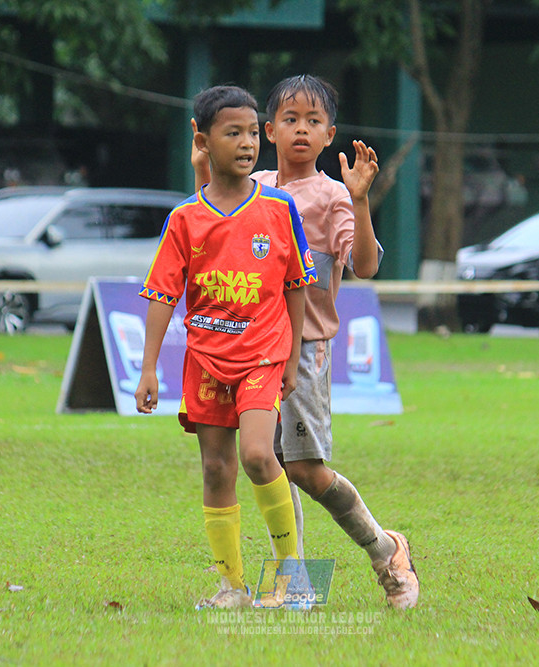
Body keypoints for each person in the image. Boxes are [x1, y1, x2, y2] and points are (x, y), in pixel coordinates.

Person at [193, 74, 419, 609]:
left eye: (313, 121)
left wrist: (361, 203)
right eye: (290, 120)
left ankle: (386, 548)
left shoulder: (332, 194)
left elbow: (364, 266)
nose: (301, 130)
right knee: (265, 462)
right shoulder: (256, 184)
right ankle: (293, 584)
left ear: (329, 133)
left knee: (302, 468)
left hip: (305, 348)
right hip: (251, 348)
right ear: (268, 130)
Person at [136, 85, 318, 609]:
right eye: (231, 132)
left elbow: (296, 287)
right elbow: (161, 295)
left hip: (262, 354)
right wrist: (149, 369)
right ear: (202, 140)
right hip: (206, 361)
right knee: (217, 469)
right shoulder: (185, 219)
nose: (246, 144)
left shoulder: (280, 210)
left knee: (260, 454)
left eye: (251, 132)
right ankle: (232, 588)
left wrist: (293, 355)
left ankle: (292, 577)